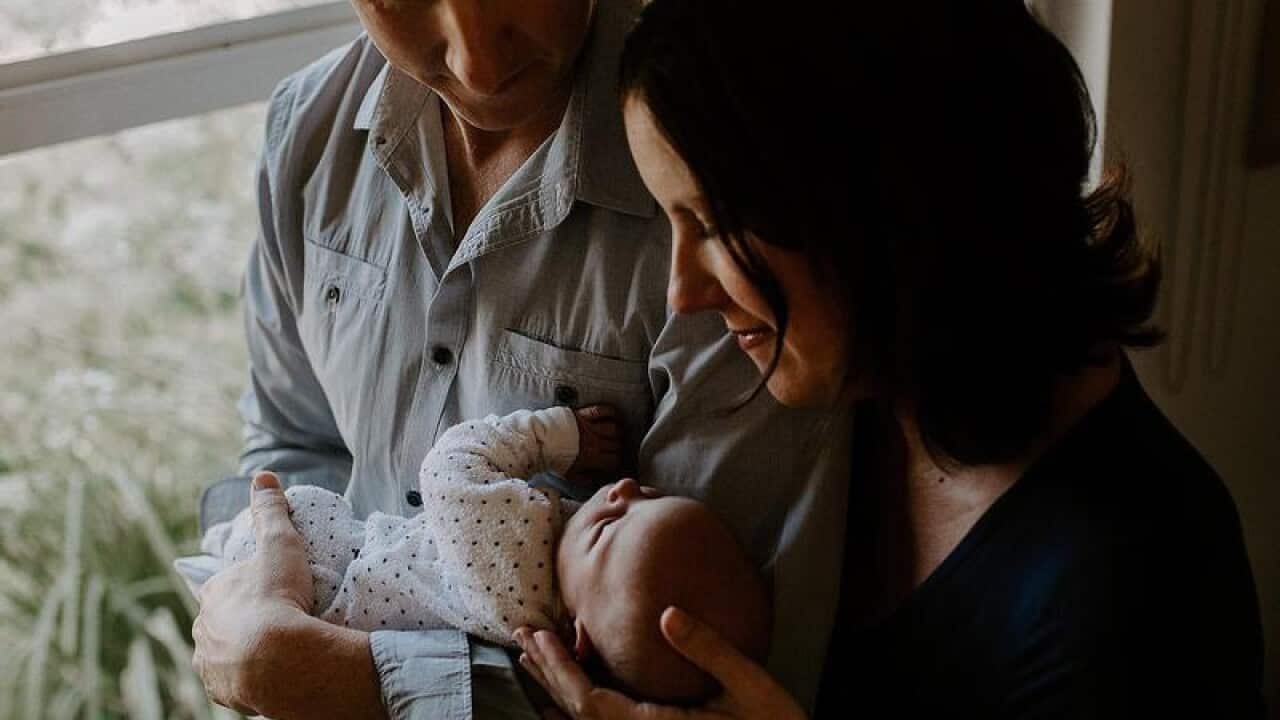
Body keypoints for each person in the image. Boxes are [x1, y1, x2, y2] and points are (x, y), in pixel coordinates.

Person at [514, 1, 1268, 718]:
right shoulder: (865, 391)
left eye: (714, 224)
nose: (683, 293)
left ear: (885, 200)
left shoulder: (1135, 596)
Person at [190, 0, 849, 718]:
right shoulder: (308, 132)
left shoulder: (708, 170)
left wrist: (341, 675)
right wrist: (264, 600)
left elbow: (702, 674)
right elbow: (292, 441)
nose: (479, 61)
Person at [199, 406, 769, 704]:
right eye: (648, 497)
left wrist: (554, 435)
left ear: (582, 636)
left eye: (607, 531)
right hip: (334, 622)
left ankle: (217, 541)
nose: (620, 492)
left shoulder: (518, 546)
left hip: (321, 567)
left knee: (297, 507)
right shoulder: (552, 658)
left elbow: (447, 466)